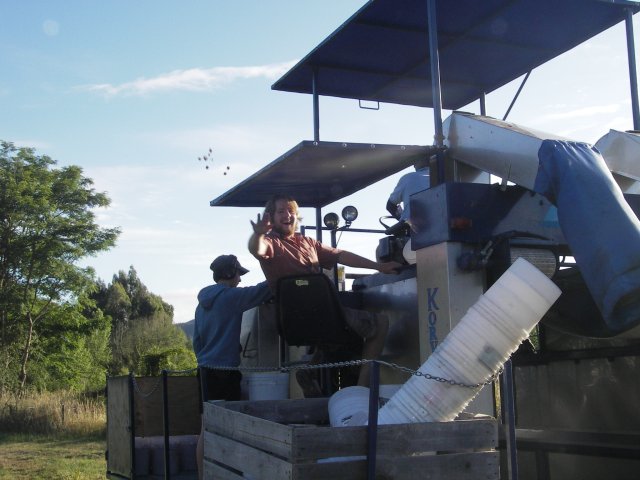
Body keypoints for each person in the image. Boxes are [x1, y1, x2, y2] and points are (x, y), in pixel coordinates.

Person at [248, 194, 403, 395]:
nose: (287, 215)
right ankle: (361, 391)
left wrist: (378, 266)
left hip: (305, 320)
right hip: (312, 316)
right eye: (281, 211)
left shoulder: (308, 242)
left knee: (334, 333)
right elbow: (257, 249)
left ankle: (310, 371)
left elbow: (340, 255)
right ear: (271, 217)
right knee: (380, 323)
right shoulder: (270, 243)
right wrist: (258, 235)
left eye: (291, 211)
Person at [192, 254, 271, 480]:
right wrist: (282, 269)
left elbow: (197, 342)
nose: (240, 279)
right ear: (229, 273)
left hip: (204, 371)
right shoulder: (231, 297)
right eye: (238, 274)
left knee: (206, 429)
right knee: (231, 428)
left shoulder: (201, 304)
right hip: (225, 373)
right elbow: (262, 290)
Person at [386, 156, 430, 224]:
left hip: (414, 228)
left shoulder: (408, 178)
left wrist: (402, 220)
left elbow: (390, 206)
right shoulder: (444, 178)